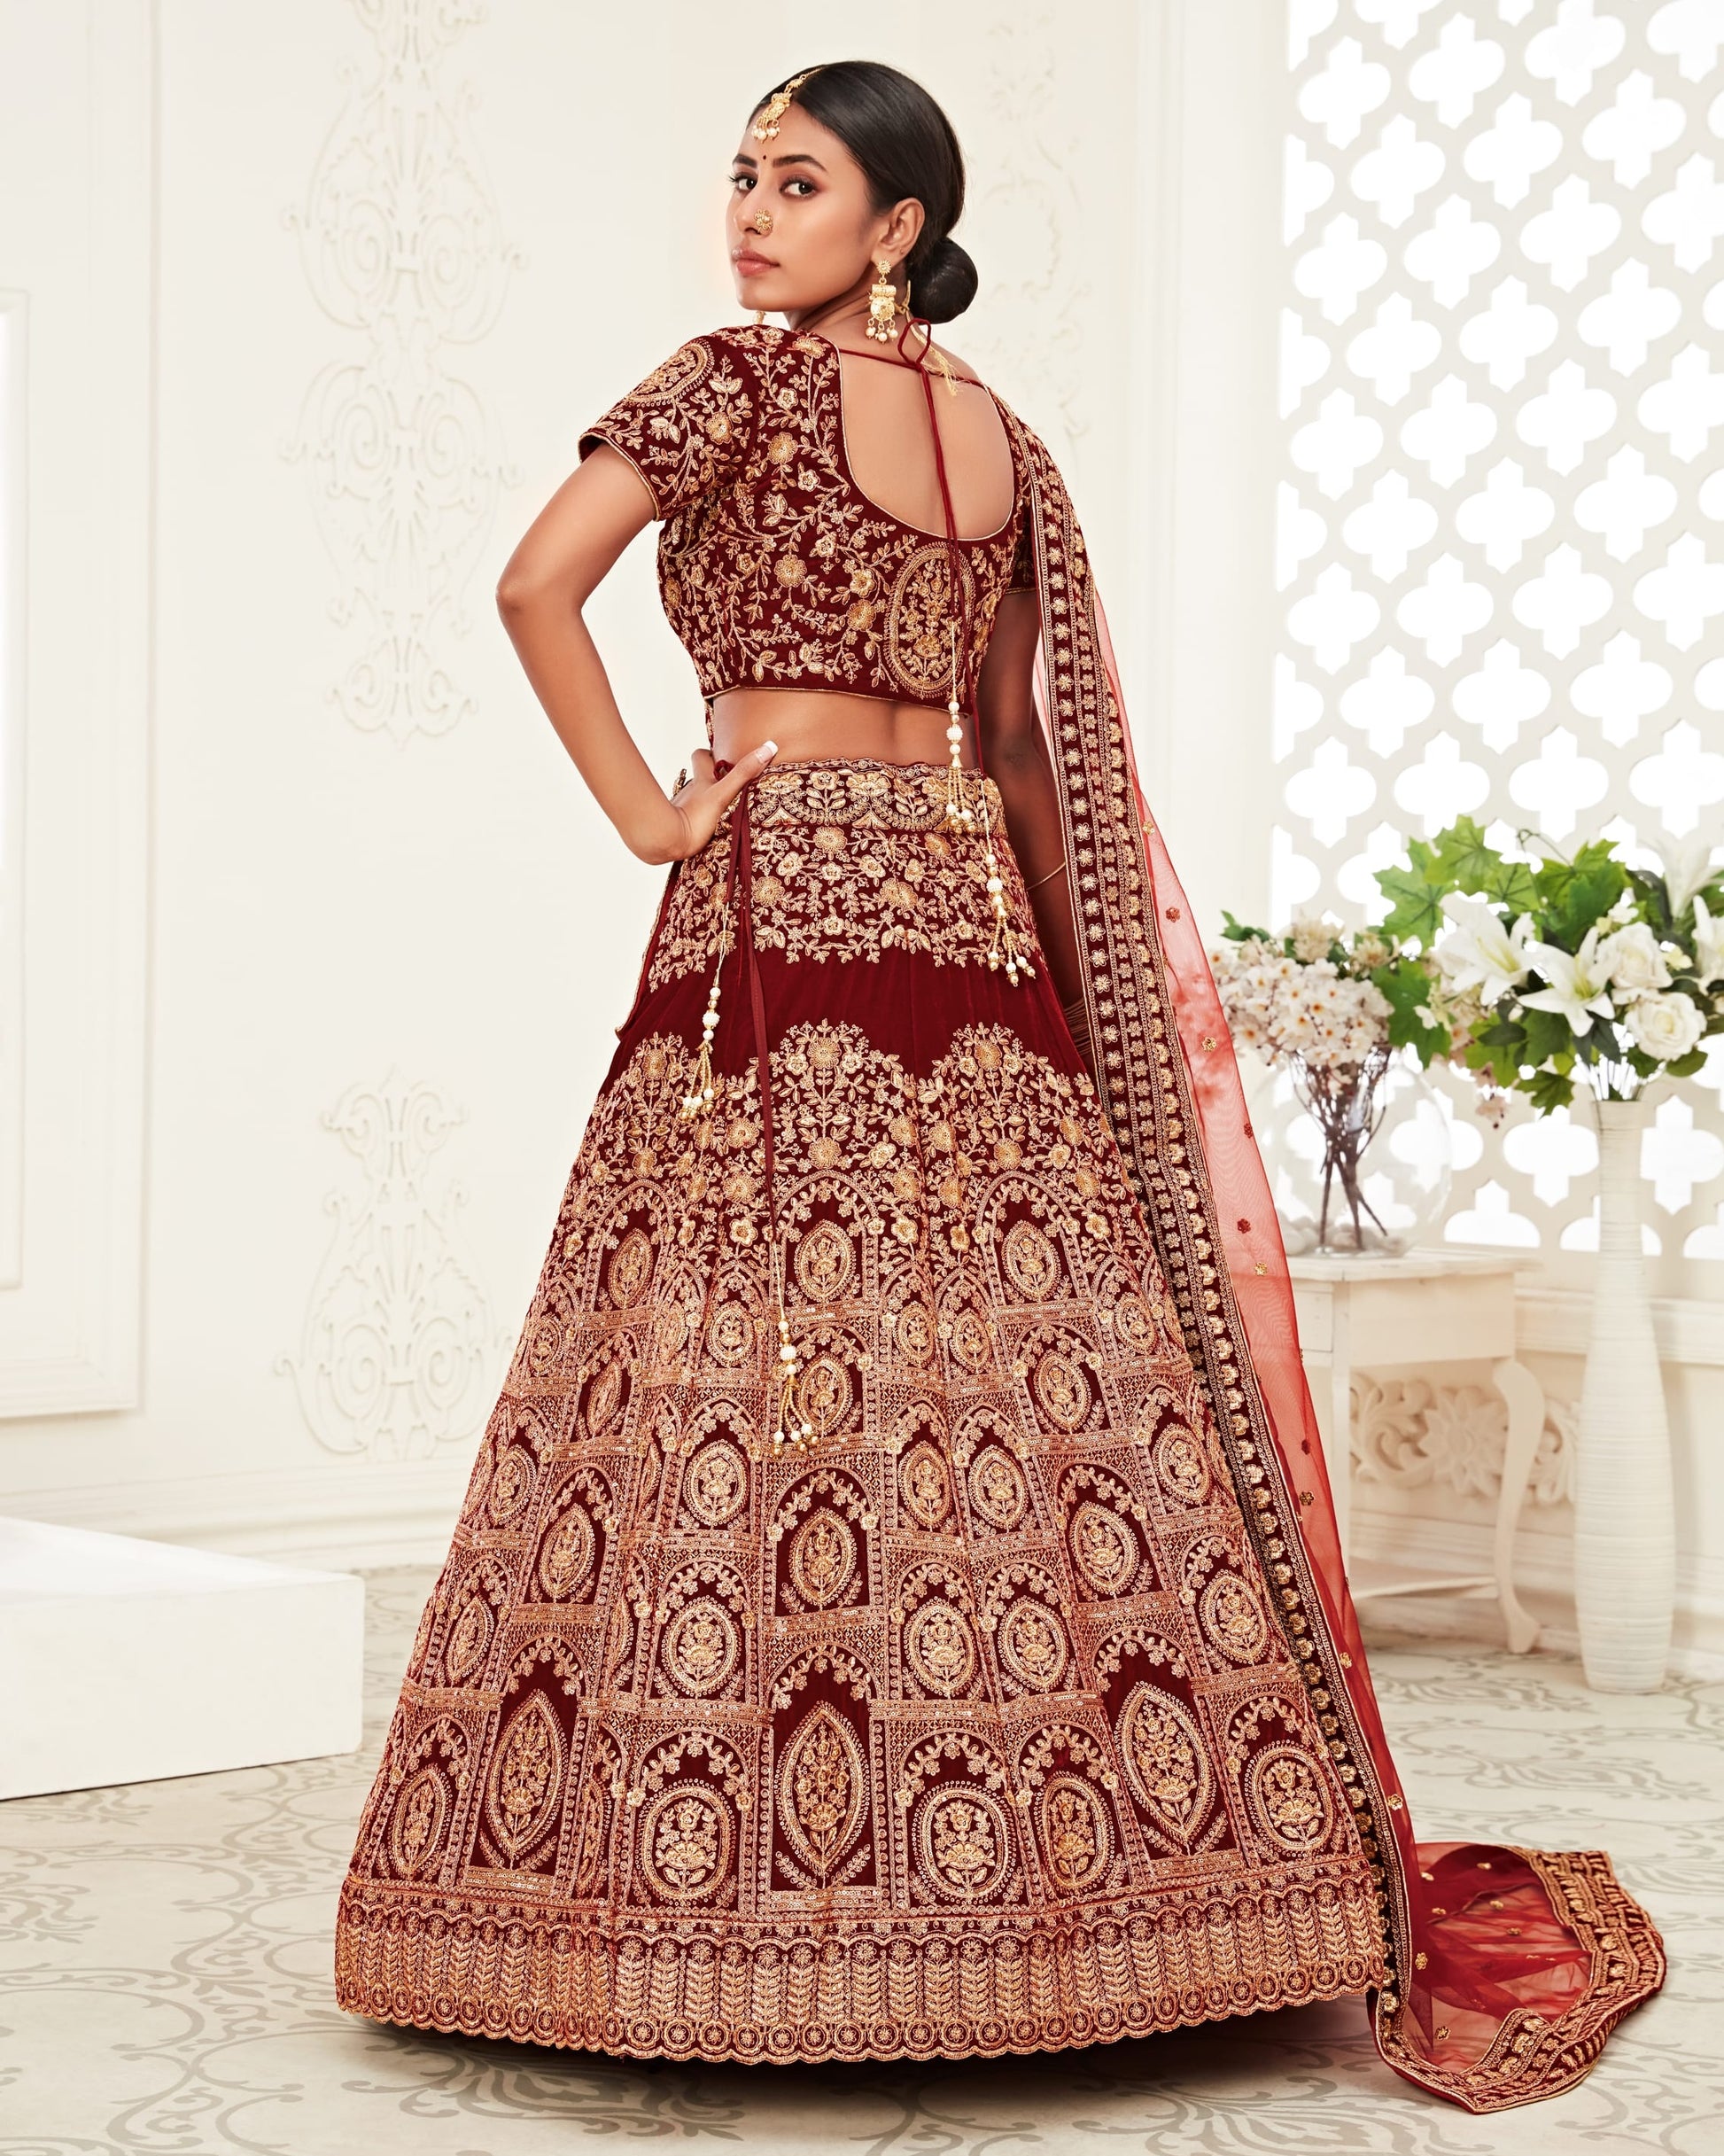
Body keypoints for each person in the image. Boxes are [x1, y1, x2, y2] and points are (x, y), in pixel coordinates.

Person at [331, 60, 1664, 2109]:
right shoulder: (1005, 445)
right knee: (995, 1379)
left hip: (777, 895)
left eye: (797, 183)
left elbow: (533, 583)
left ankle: (729, 1887)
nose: (749, 214)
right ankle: (1115, 1889)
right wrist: (1065, 999)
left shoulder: (721, 387)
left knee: (721, 1355)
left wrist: (646, 817)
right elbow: (1031, 755)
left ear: (893, 225)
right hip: (962, 908)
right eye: (741, 176)